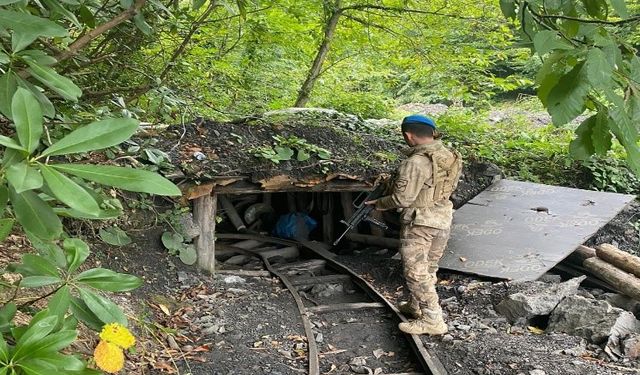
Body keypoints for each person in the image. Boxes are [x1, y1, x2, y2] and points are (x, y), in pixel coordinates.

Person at [366, 114, 462, 335]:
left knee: (415, 271)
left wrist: (379, 203)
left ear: (409, 135)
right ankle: (416, 306)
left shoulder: (415, 162)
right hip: (442, 218)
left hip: (420, 222)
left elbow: (402, 199)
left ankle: (433, 319)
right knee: (429, 267)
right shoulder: (449, 156)